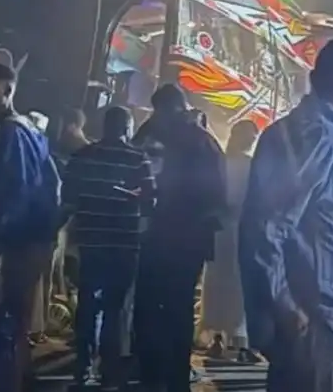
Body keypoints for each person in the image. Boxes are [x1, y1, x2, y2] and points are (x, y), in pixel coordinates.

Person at [240, 39, 333, 392]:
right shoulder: (316, 137)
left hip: (330, 323)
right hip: (317, 325)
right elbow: (267, 228)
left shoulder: (321, 136)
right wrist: (285, 306)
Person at [132, 84, 226, 392]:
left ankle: (153, 374)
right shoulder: (204, 142)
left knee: (152, 305)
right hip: (186, 241)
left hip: (163, 236)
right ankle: (173, 376)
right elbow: (217, 199)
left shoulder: (162, 136)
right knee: (177, 308)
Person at [0, 63, 61, 392]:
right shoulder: (32, 130)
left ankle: (5, 381)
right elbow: (52, 181)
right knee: (19, 315)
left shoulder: (11, 132)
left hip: (18, 239)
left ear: (7, 91)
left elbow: (14, 190)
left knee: (6, 313)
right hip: (36, 235)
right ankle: (19, 375)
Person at [63, 105, 155, 388]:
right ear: (127, 128)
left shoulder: (82, 157)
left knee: (87, 303)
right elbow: (150, 201)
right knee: (116, 309)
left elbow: (68, 200)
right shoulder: (138, 158)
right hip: (124, 244)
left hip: (90, 242)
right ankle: (109, 371)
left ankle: (82, 367)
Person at [200, 119, 260, 363]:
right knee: (238, 283)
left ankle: (217, 337)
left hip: (219, 230)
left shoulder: (219, 163)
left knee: (217, 282)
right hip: (239, 230)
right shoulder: (250, 166)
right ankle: (239, 340)